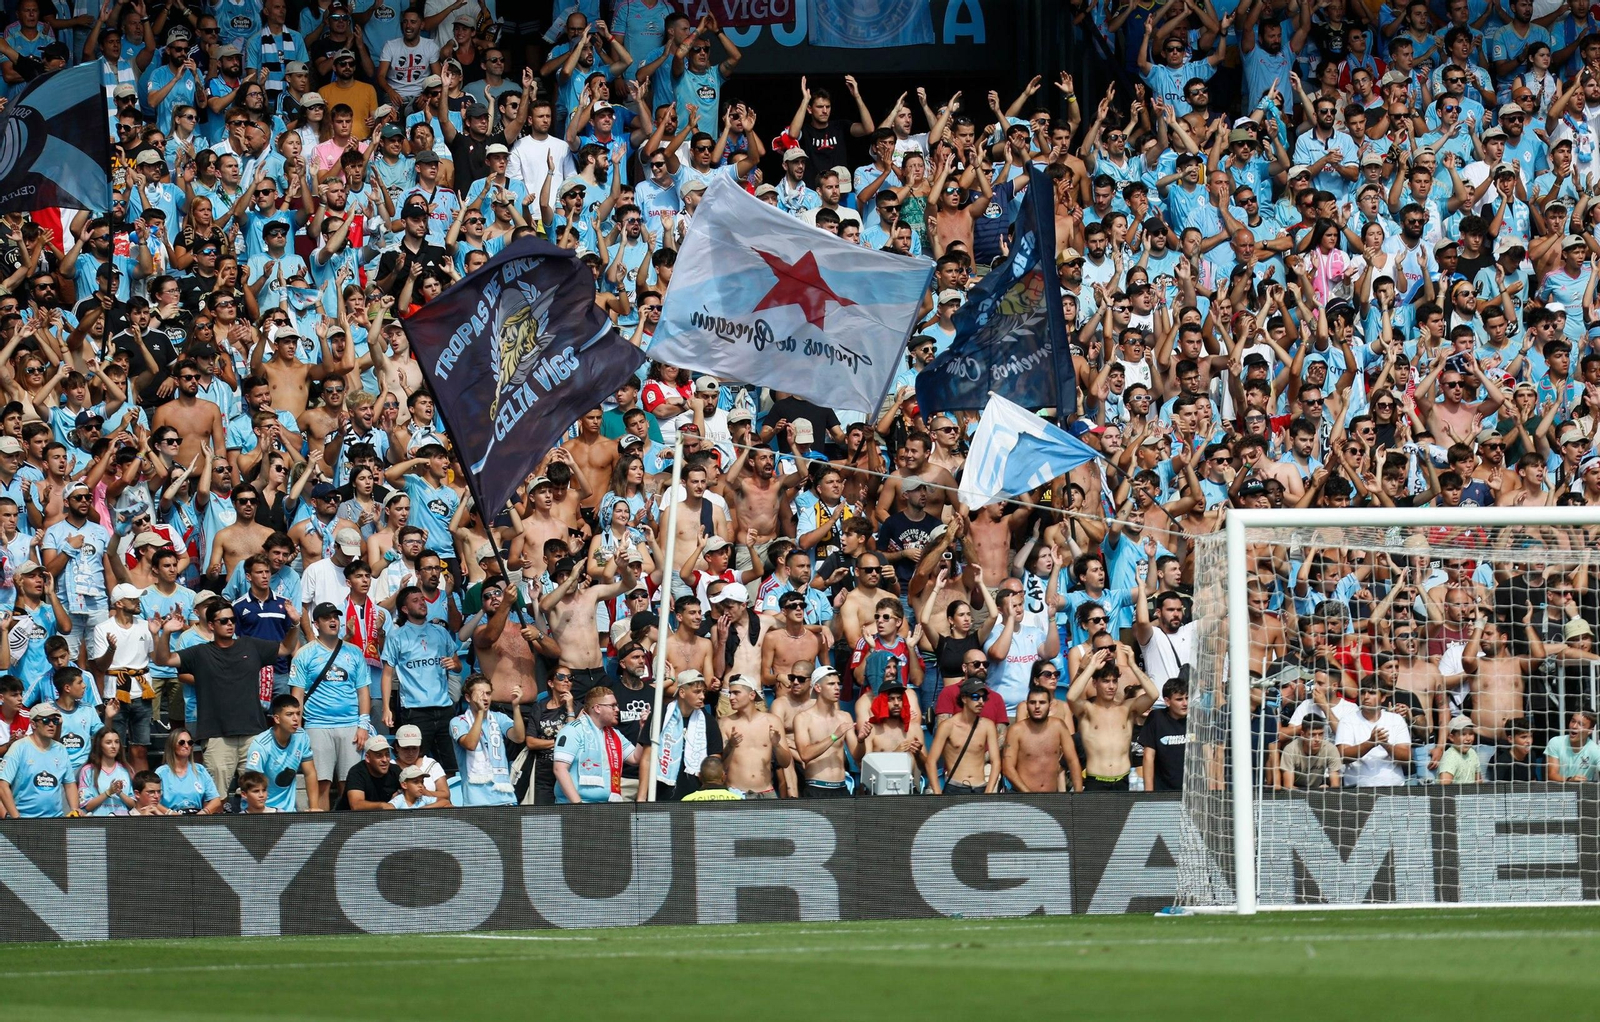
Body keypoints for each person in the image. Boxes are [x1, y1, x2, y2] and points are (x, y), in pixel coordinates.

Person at [153, 602, 296, 796]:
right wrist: (166, 632)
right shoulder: (200, 652)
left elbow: (286, 648)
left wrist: (294, 624)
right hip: (217, 736)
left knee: (258, 797)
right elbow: (163, 659)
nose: (230, 624)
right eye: (224, 620)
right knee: (216, 798)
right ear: (211, 625)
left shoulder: (250, 645)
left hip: (253, 735)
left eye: (233, 620)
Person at [290, 601, 371, 808]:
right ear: (316, 623)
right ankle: (322, 828)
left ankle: (349, 830)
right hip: (317, 724)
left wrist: (363, 724)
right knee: (321, 783)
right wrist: (297, 728)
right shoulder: (305, 653)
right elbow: (297, 694)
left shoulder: (354, 652)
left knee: (350, 783)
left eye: (335, 617)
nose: (333, 621)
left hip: (351, 725)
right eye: (327, 618)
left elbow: (363, 691)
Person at [380, 585, 462, 772]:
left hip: (444, 708)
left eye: (422, 600)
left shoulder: (440, 632)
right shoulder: (397, 636)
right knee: (414, 765)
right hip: (415, 710)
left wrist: (454, 664)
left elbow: (458, 663)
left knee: (451, 765)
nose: (422, 604)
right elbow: (387, 674)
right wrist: (386, 708)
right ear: (405, 609)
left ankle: (449, 800)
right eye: (415, 601)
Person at [1065, 647, 1159, 791]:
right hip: (1095, 782)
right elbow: (1071, 696)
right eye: (1105, 681)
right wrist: (1091, 667)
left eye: (1114, 681)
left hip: (1122, 781)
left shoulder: (1127, 709)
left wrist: (1133, 665)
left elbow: (1153, 694)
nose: (1111, 686)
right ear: (1095, 683)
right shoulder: (1087, 710)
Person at [552, 684, 649, 803]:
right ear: (597, 708)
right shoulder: (573, 730)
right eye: (612, 706)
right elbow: (559, 769)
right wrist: (578, 805)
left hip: (605, 806)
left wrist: (643, 729)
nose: (617, 709)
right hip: (575, 806)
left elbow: (635, 758)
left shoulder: (614, 734)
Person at [450, 674, 526, 805]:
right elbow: (470, 744)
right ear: (468, 698)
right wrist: (480, 713)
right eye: (480, 694)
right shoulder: (458, 722)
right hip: (476, 799)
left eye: (488, 693)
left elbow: (519, 738)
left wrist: (516, 707)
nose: (485, 698)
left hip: (504, 796)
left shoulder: (499, 718)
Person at [791, 665, 865, 798]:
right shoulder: (803, 718)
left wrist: (861, 740)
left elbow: (857, 756)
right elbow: (805, 754)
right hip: (816, 788)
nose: (837, 688)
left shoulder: (844, 716)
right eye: (831, 684)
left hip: (841, 787)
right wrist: (834, 736)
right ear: (818, 688)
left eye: (838, 683)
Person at [243, 693, 323, 811]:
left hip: (289, 811)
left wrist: (314, 807)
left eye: (298, 713)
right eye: (289, 714)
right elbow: (252, 783)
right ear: (277, 719)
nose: (296, 719)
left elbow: (310, 773)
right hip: (262, 811)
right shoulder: (261, 745)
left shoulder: (302, 737)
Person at [718, 674, 792, 798]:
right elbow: (720, 766)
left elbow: (785, 763)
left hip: (766, 793)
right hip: (736, 793)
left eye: (736, 693)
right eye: (730, 693)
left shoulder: (772, 721)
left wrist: (776, 745)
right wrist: (730, 746)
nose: (731, 697)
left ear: (752, 695)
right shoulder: (725, 723)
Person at [0, 701, 77, 818]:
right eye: (46, 720)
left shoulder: (61, 749)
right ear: (33, 724)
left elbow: (70, 784)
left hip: (56, 820)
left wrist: (74, 809)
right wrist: (16, 818)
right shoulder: (19, 748)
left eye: (55, 721)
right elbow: (2, 784)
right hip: (25, 819)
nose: (52, 724)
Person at [1003, 684, 1083, 793]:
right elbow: (1008, 768)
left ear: (1050, 706)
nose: (1037, 706)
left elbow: (1072, 760)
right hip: (1023, 797)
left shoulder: (1059, 726)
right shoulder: (1016, 731)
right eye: (1032, 702)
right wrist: (1027, 793)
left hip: (1052, 796)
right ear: (1026, 705)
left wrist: (1078, 793)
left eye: (1042, 702)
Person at [925, 678, 1000, 794]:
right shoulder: (948, 726)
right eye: (975, 697)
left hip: (980, 787)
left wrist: (989, 791)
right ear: (964, 698)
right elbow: (931, 761)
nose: (981, 701)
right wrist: (937, 793)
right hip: (955, 787)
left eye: (983, 698)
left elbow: (996, 761)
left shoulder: (988, 726)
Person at [1335, 681, 1414, 787]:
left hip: (1393, 788)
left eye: (1372, 693)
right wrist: (1371, 743)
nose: (1366, 697)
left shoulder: (1396, 720)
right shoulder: (1347, 720)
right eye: (1363, 692)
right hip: (1357, 790)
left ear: (1383, 697)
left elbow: (1406, 757)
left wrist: (1385, 744)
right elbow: (1342, 756)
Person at [1137, 678, 1189, 791]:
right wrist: (1149, 794)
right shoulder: (1156, 718)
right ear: (1167, 701)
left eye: (1187, 698)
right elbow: (1148, 757)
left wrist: (1211, 790)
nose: (1185, 703)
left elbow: (1208, 756)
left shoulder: (1196, 718)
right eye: (1179, 699)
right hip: (1163, 791)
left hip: (1193, 792)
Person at [156, 727, 223, 814]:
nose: (186, 746)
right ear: (172, 745)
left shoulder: (200, 770)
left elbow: (216, 800)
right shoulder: (161, 772)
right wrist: (170, 813)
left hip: (197, 817)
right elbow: (152, 802)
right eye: (182, 742)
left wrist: (204, 813)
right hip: (170, 819)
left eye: (190, 742)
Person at [339, 734, 402, 810]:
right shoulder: (357, 772)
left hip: (386, 819)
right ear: (367, 758)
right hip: (353, 820)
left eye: (387, 754)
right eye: (379, 755)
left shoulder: (395, 770)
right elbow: (356, 805)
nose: (385, 760)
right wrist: (383, 805)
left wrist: (401, 794)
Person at [1278, 717, 1341, 789]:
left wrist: (1326, 791)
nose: (1317, 739)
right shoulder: (1290, 750)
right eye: (1312, 735)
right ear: (1302, 734)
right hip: (1296, 794)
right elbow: (1288, 787)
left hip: (1318, 790)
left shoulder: (1330, 749)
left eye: (1320, 734)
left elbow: (1335, 785)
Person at [1437, 715, 1483, 784]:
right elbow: (1444, 788)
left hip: (1471, 794)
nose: (1468, 738)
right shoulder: (1450, 758)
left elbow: (1479, 782)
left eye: (1471, 734)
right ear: (1452, 737)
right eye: (1463, 734)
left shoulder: (1472, 752)